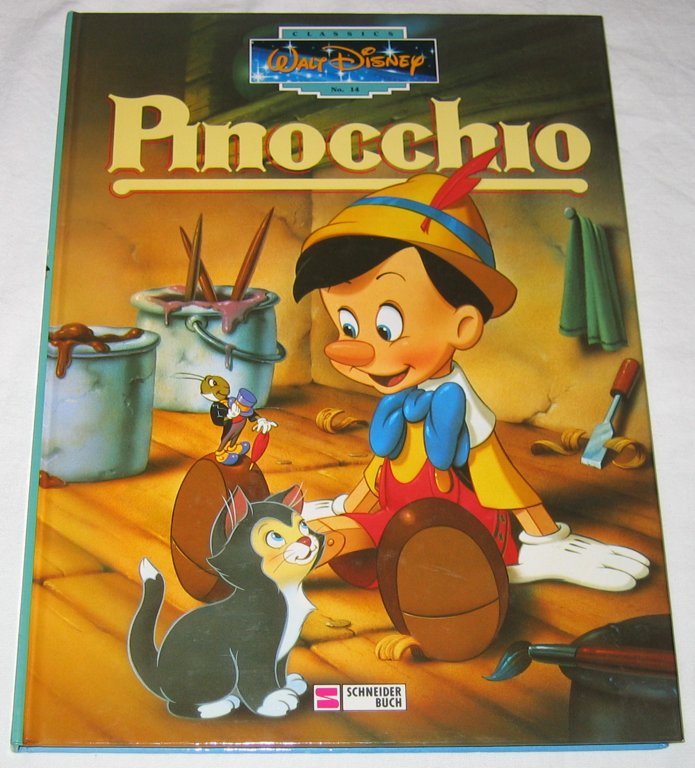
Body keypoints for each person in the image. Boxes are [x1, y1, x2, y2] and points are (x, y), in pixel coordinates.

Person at [293, 158, 649, 660]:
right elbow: (384, 466)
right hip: (398, 517)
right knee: (335, 535)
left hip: (461, 529)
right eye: (348, 326)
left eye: (387, 325)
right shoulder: (398, 401)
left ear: (462, 325)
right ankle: (276, 566)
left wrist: (546, 539)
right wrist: (351, 504)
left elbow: (494, 472)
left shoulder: (458, 404)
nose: (356, 347)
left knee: (377, 548)